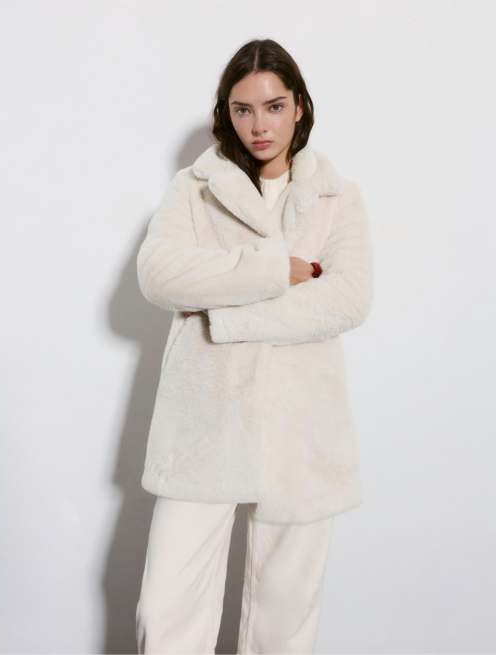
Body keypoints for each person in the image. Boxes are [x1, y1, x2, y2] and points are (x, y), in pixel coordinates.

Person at [135, 38, 374, 654]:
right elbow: (159, 274)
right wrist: (270, 270)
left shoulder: (337, 195)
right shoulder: (195, 188)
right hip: (205, 420)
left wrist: (220, 313)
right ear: (226, 112)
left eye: (273, 107)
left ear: (299, 106)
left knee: (284, 621)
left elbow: (346, 301)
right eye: (243, 109)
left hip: (302, 425)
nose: (259, 126)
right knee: (166, 611)